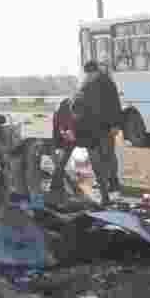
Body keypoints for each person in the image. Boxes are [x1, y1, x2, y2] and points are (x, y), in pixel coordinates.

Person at [51, 61, 122, 205]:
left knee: (98, 162)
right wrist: (61, 138)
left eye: (91, 73)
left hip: (93, 129)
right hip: (74, 132)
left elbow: (114, 104)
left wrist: (114, 124)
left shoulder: (103, 85)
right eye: (88, 74)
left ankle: (106, 193)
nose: (89, 76)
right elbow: (57, 127)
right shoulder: (66, 109)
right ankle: (55, 187)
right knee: (63, 159)